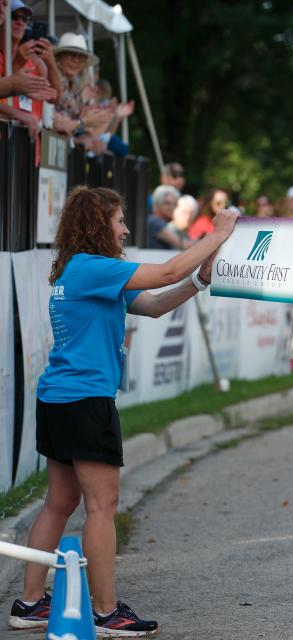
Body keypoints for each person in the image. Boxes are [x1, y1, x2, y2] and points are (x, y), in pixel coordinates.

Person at [8, 186, 238, 636]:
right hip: (85, 399)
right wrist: (219, 232)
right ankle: (107, 612)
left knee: (59, 502)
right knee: (102, 505)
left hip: (59, 398)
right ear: (98, 225)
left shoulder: (85, 270)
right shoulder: (92, 267)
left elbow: (152, 305)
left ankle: (29, 604)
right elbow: (167, 268)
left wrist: (200, 281)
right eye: (118, 221)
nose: (126, 229)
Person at [0, 0, 61, 140]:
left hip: (25, 149)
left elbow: (55, 97)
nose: (20, 22)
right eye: (14, 16)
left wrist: (51, 61)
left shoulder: (34, 63)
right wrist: (15, 86)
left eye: (25, 19)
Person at [146, 184, 184, 250]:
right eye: (167, 203)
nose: (172, 207)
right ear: (157, 203)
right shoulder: (155, 222)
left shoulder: (163, 222)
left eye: (174, 204)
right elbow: (182, 244)